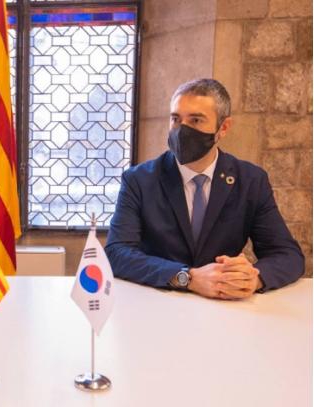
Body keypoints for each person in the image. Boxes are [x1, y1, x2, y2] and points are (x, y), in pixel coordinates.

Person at [105, 79, 304, 299]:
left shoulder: (250, 181)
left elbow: (288, 255)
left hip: (224, 305)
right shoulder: (139, 180)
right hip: (158, 301)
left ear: (223, 128)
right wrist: (187, 278)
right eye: (176, 119)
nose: (182, 130)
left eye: (196, 120)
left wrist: (252, 278)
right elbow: (117, 253)